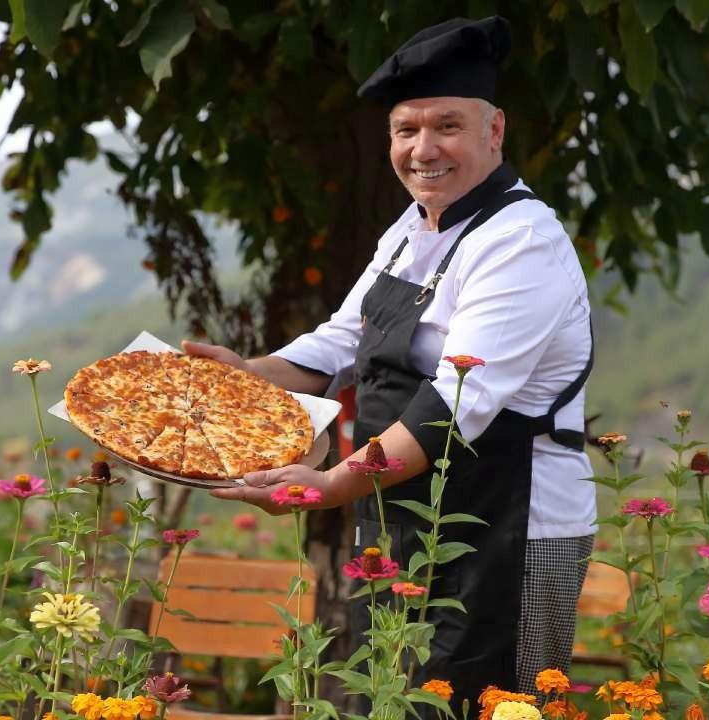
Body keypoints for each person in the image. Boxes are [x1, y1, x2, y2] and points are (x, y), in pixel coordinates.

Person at [185, 15, 596, 711]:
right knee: (387, 697)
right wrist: (247, 374)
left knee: (489, 705)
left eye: (447, 126)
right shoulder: (411, 228)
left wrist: (327, 487)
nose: (423, 149)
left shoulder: (521, 241)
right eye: (406, 130)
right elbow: (340, 343)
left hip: (508, 530)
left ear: (494, 131)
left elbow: (452, 407)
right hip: (400, 512)